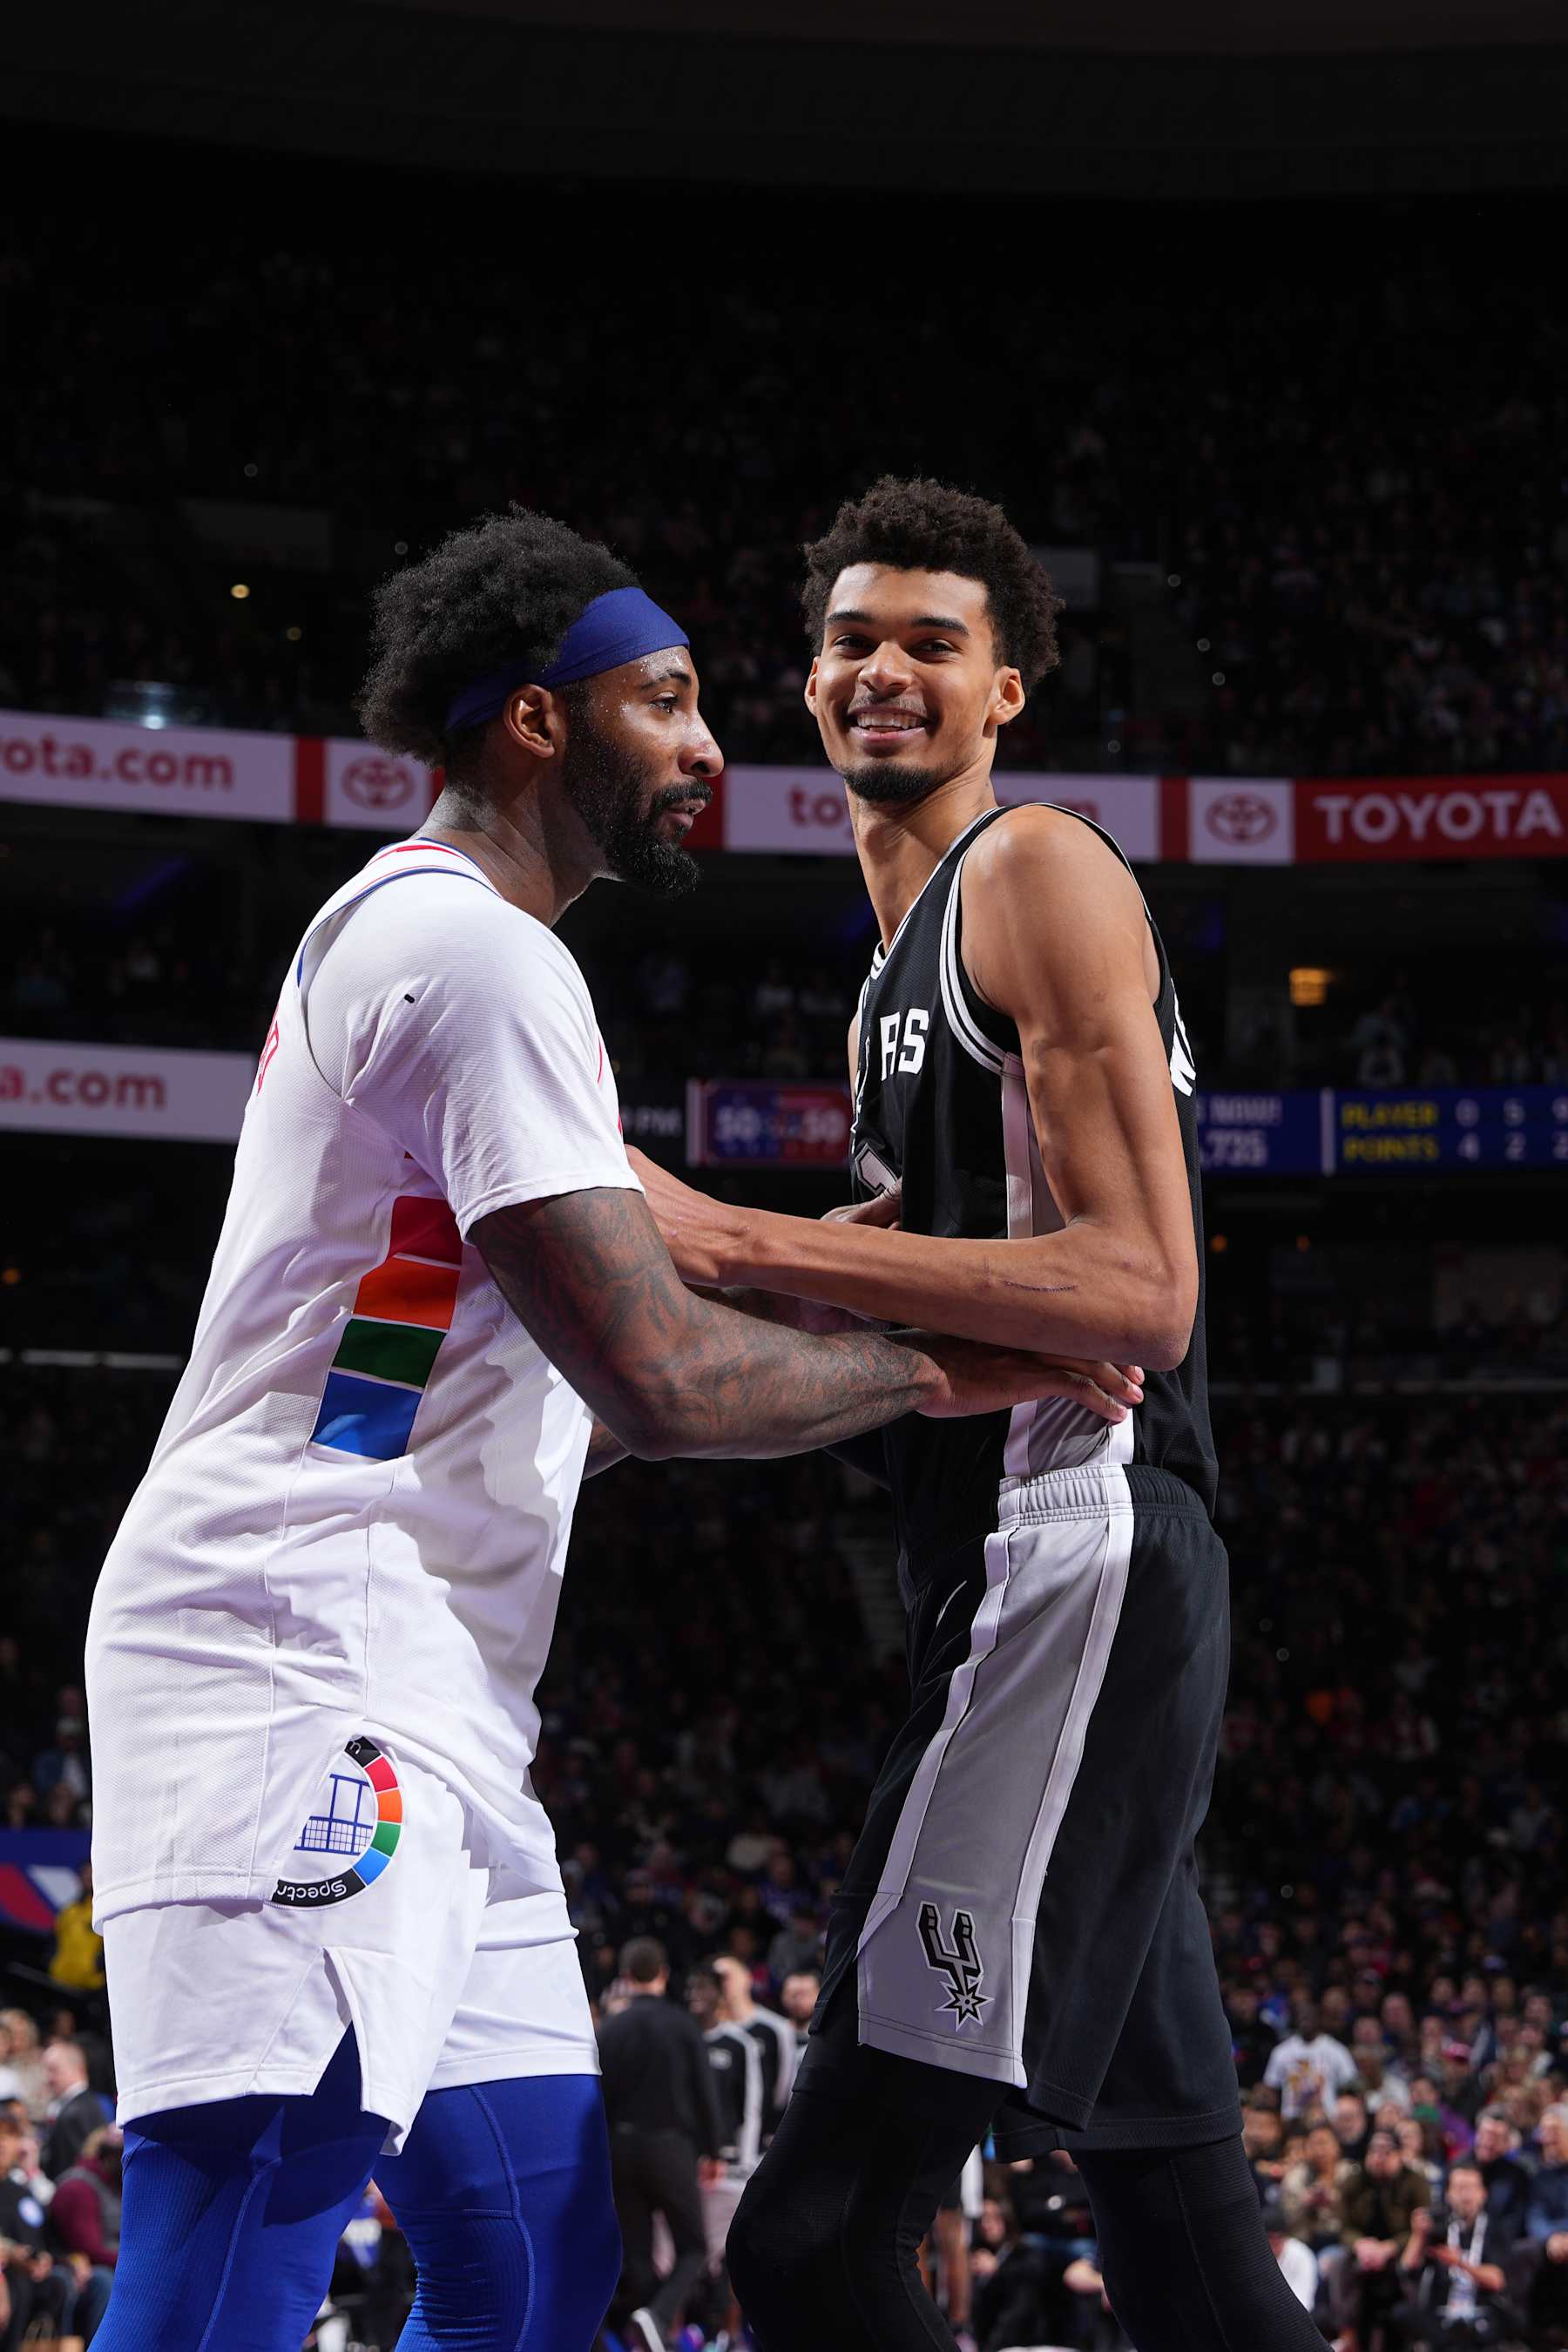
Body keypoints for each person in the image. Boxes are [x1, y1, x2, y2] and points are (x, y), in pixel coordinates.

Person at [84, 508, 1104, 2352]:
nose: (712, 747)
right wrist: (958, 1359)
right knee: (249, 2211)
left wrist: (829, 1294)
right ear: (536, 724)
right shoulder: (480, 961)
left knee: (543, 2275)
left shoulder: (431, 941)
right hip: (299, 1656)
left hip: (426, 1677)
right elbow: (665, 1384)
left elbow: (510, 1402)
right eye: (667, 702)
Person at [634, 476, 1324, 2351]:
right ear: (802, 677)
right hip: (1026, 1563)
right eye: (852, 639)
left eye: (934, 644)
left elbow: (1139, 1295)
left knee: (814, 2242)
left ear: (1006, 690)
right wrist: (723, 1293)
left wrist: (730, 1225)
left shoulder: (1033, 872)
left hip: (1069, 1558)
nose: (885, 672)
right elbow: (926, 1302)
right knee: (1183, 2234)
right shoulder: (887, 985)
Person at [597, 1938, 724, 2352]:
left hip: (621, 2147)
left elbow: (599, 2098)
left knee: (638, 2254)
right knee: (693, 2247)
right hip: (671, 2148)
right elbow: (705, 2092)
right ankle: (658, 2316)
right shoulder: (682, 2024)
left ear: (626, 1977)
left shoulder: (610, 2029)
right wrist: (714, 2149)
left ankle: (650, 2333)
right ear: (664, 1974)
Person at [1389, 2160, 1519, 2344]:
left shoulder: (1497, 2229)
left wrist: (1458, 2262)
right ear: (1448, 2195)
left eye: (1471, 2188)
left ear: (1483, 2194)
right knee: (1401, 2313)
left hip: (1481, 2311)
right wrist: (1418, 2236)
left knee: (1502, 2323)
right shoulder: (1438, 2226)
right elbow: (1407, 2271)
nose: (1465, 2196)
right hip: (1441, 2313)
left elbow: (1497, 2280)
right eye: (1459, 2189)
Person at [1330, 2124, 1429, 2342]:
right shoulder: (1354, 2180)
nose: (1379, 2157)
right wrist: (1360, 2245)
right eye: (1373, 2151)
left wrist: (1388, 2248)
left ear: (1401, 2154)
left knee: (1412, 2273)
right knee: (1337, 2265)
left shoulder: (1415, 2182)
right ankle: (1347, 2334)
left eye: (1387, 2152)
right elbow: (1343, 2226)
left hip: (1400, 2251)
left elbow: (1421, 2227)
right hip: (1363, 2251)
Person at [713, 1956, 796, 2145]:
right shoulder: (708, 2032)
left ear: (747, 1978)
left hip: (763, 2134)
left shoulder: (776, 2028)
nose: (722, 1984)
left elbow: (783, 2088)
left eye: (727, 1976)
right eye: (715, 1979)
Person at [1266, 1997, 1361, 2123]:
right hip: (1291, 2119)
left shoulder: (1336, 2050)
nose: (1305, 2019)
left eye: (1309, 2015)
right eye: (1301, 2015)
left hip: (1326, 2118)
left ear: (1319, 2018)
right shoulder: (1281, 2051)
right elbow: (1271, 2086)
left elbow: (1350, 2084)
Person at [39, 2041, 107, 2181]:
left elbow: (75, 2166)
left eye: (53, 2069)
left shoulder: (74, 2113)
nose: (48, 2078)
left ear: (78, 2068)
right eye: (45, 2070)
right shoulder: (89, 2103)